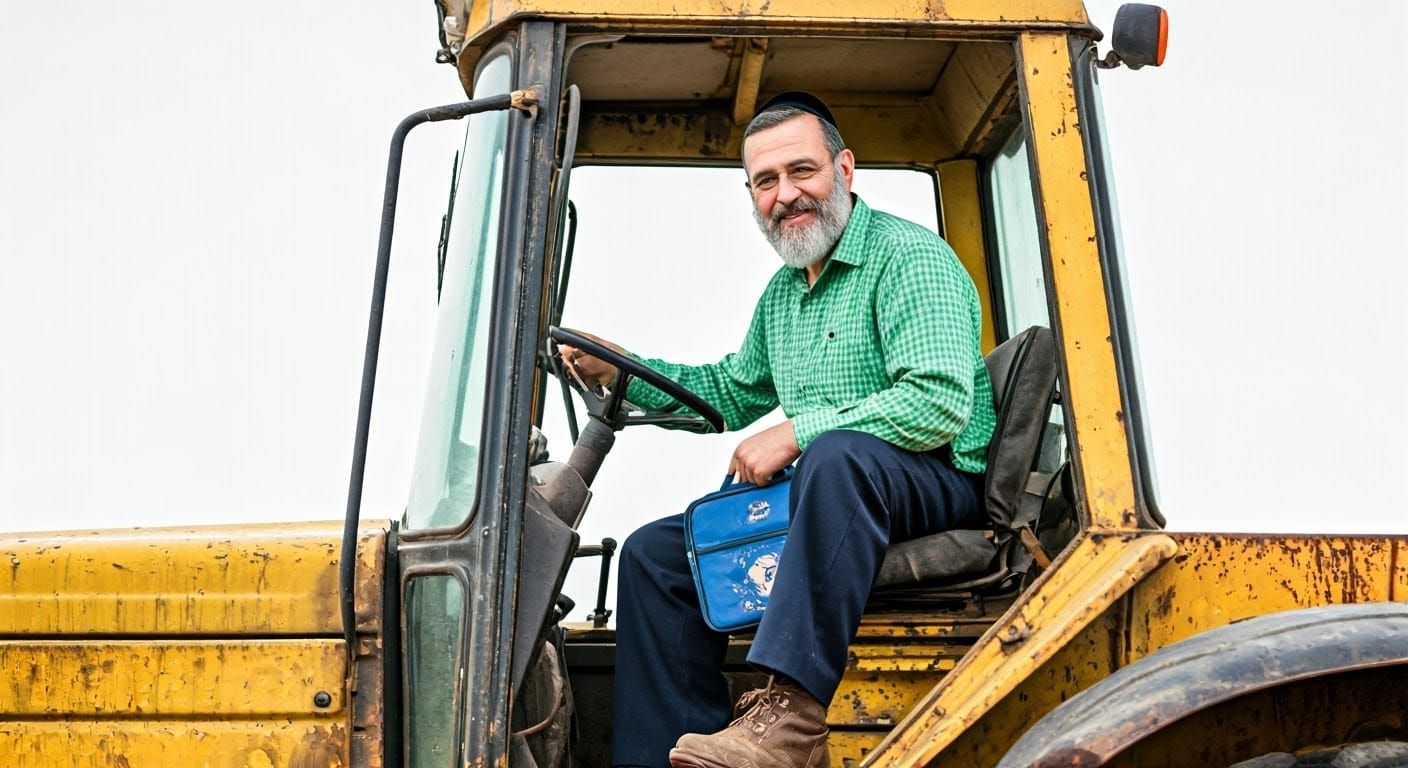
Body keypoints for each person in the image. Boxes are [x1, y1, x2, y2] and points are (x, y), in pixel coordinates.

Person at [558, 92, 996, 768]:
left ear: (845, 169)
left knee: (836, 456)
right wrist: (620, 372)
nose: (786, 195)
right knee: (656, 558)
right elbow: (730, 392)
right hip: (835, 492)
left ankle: (791, 716)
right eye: (766, 181)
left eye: (803, 171)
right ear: (752, 195)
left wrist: (797, 433)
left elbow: (938, 404)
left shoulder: (911, 260)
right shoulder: (785, 294)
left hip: (930, 482)